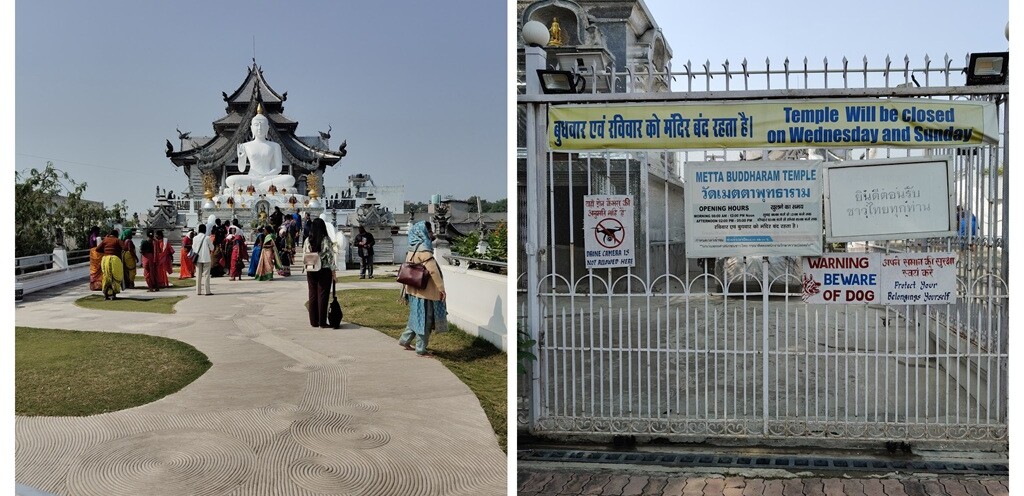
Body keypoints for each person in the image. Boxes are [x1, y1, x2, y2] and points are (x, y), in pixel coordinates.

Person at [398, 221, 447, 357]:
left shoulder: (412, 247)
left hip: (414, 290)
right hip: (425, 293)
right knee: (425, 320)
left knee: (415, 318)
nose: (431, 234)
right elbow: (433, 271)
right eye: (429, 231)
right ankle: (421, 349)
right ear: (423, 233)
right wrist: (441, 289)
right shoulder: (425, 249)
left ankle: (405, 340)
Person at [224, 104, 295, 192]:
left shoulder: (275, 146)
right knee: (230, 180)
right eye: (256, 125)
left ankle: (260, 185)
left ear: (268, 128)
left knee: (290, 179)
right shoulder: (245, 145)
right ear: (251, 128)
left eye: (262, 125)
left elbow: (278, 168)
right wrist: (241, 157)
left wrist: (267, 176)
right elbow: (241, 169)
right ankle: (263, 186)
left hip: (269, 177)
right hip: (252, 178)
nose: (260, 128)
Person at [304, 218, 336, 328]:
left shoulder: (308, 240)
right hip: (324, 269)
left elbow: (305, 253)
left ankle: (314, 321)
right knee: (323, 295)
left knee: (312, 294)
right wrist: (334, 272)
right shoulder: (325, 239)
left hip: (311, 268)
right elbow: (330, 257)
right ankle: (322, 322)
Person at [97, 229, 125, 300]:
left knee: (106, 277)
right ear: (116, 235)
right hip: (115, 260)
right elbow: (125, 248)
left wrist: (105, 250)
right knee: (115, 278)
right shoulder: (117, 240)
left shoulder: (105, 240)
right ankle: (113, 295)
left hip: (105, 259)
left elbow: (97, 249)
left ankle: (106, 296)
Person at [192, 224, 213, 295]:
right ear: (205, 230)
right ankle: (207, 291)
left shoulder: (195, 238)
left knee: (198, 275)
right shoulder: (207, 238)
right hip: (206, 257)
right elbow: (212, 248)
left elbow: (193, 248)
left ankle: (198, 291)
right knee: (206, 275)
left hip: (197, 258)